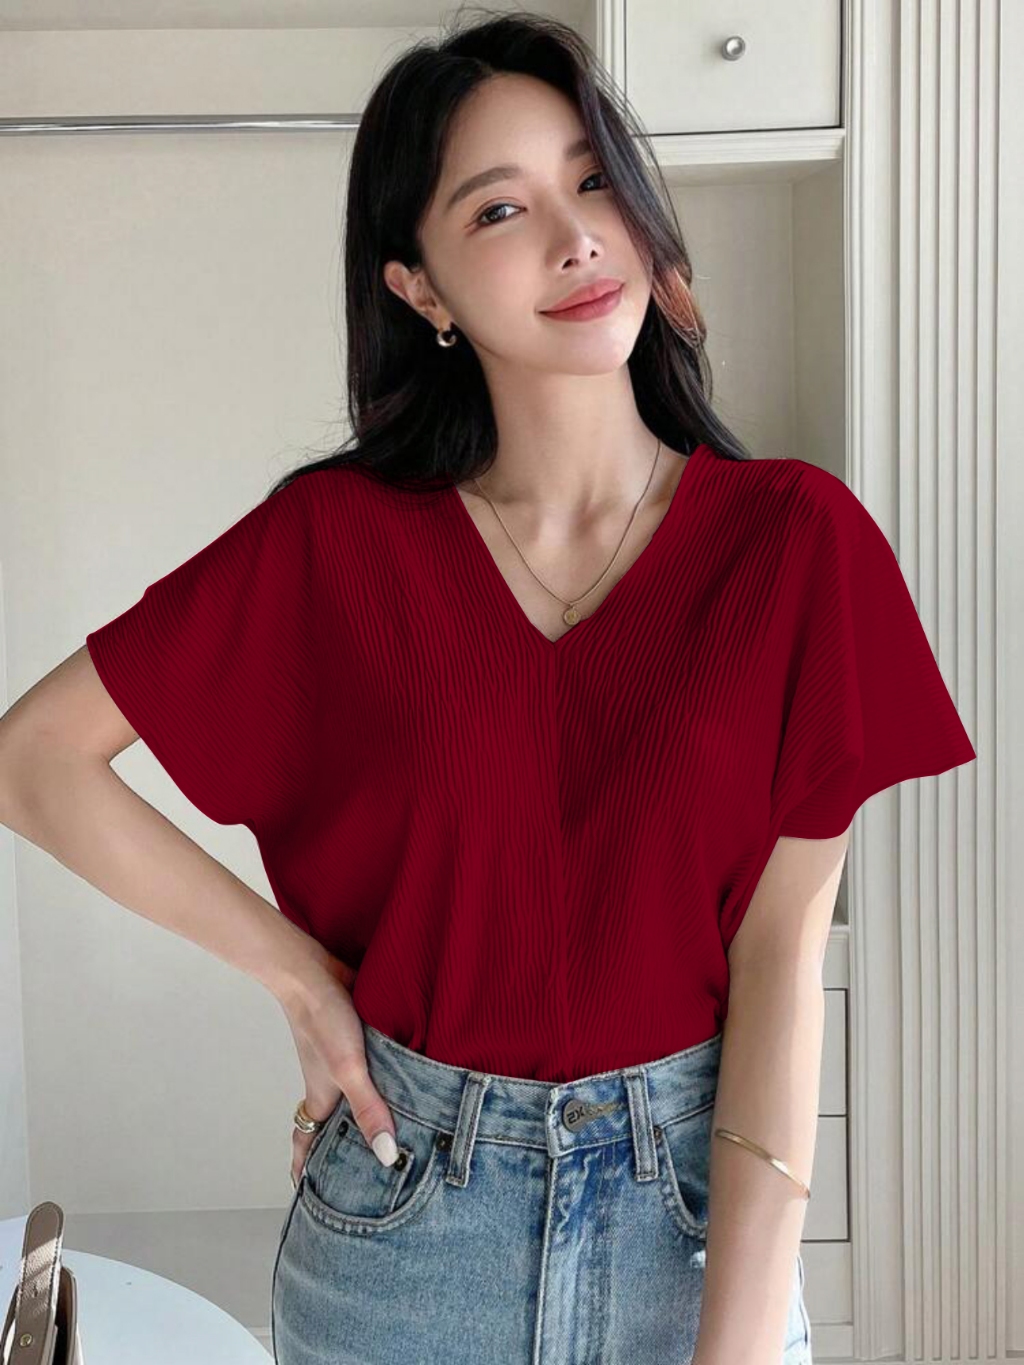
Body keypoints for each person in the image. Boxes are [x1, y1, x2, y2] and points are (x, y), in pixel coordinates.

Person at [0, 10, 976, 1365]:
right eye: (500, 208)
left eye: (594, 180)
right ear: (422, 291)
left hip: (689, 1225)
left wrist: (740, 1340)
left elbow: (781, 958)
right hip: (402, 1236)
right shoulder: (337, 544)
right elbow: (33, 759)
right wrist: (300, 979)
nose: (576, 237)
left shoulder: (797, 543)